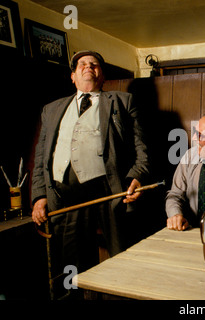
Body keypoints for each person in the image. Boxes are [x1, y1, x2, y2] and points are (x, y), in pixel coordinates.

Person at [31, 50, 150, 273]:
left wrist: (137, 177)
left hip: (110, 193)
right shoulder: (52, 109)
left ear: (102, 76)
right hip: (67, 197)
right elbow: (41, 158)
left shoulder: (122, 102)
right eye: (82, 65)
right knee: (74, 266)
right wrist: (39, 196)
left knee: (123, 259)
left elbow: (141, 149)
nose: (88, 67)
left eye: (94, 65)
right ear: (73, 76)